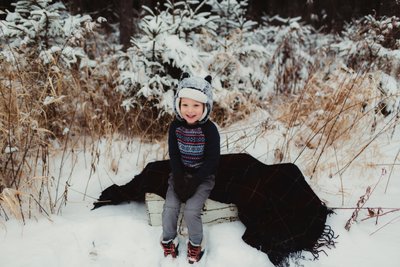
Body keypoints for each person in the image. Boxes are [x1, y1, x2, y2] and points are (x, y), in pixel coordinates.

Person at [161, 72, 220, 264]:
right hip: (180, 173)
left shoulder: (210, 130)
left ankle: (196, 243)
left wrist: (194, 182)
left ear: (206, 106)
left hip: (202, 176)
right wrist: (178, 179)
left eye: (196, 105)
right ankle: (169, 239)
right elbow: (175, 155)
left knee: (191, 210)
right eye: (185, 104)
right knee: (170, 207)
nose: (190, 110)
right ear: (178, 105)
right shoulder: (175, 127)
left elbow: (212, 160)